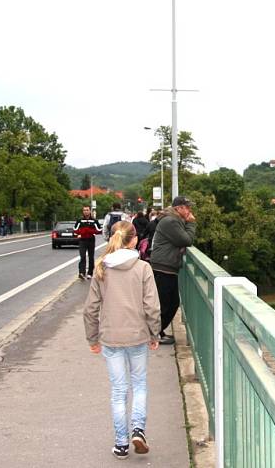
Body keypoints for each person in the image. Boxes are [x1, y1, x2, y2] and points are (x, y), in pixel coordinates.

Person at [83, 221, 161, 460]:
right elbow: (152, 306)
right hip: (137, 335)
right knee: (138, 384)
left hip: (110, 337)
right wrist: (154, 333)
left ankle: (121, 444)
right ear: (135, 240)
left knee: (118, 391)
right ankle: (138, 429)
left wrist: (92, 338)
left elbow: (90, 309)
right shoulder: (143, 268)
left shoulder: (101, 268)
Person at [149, 196, 196, 345]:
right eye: (187, 207)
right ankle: (154, 334)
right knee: (167, 303)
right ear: (179, 208)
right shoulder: (171, 221)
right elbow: (186, 240)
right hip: (164, 267)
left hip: (165, 266)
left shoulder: (172, 220)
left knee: (168, 303)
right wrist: (191, 224)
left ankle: (157, 332)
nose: (189, 210)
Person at [74, 206, 102, 280]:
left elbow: (99, 230)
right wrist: (81, 232)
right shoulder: (79, 220)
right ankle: (82, 273)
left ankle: (90, 273)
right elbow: (75, 229)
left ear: (90, 211)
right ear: (82, 212)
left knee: (91, 257)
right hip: (82, 240)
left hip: (91, 240)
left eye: (87, 210)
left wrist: (90, 231)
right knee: (82, 256)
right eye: (84, 210)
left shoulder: (94, 221)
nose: (86, 211)